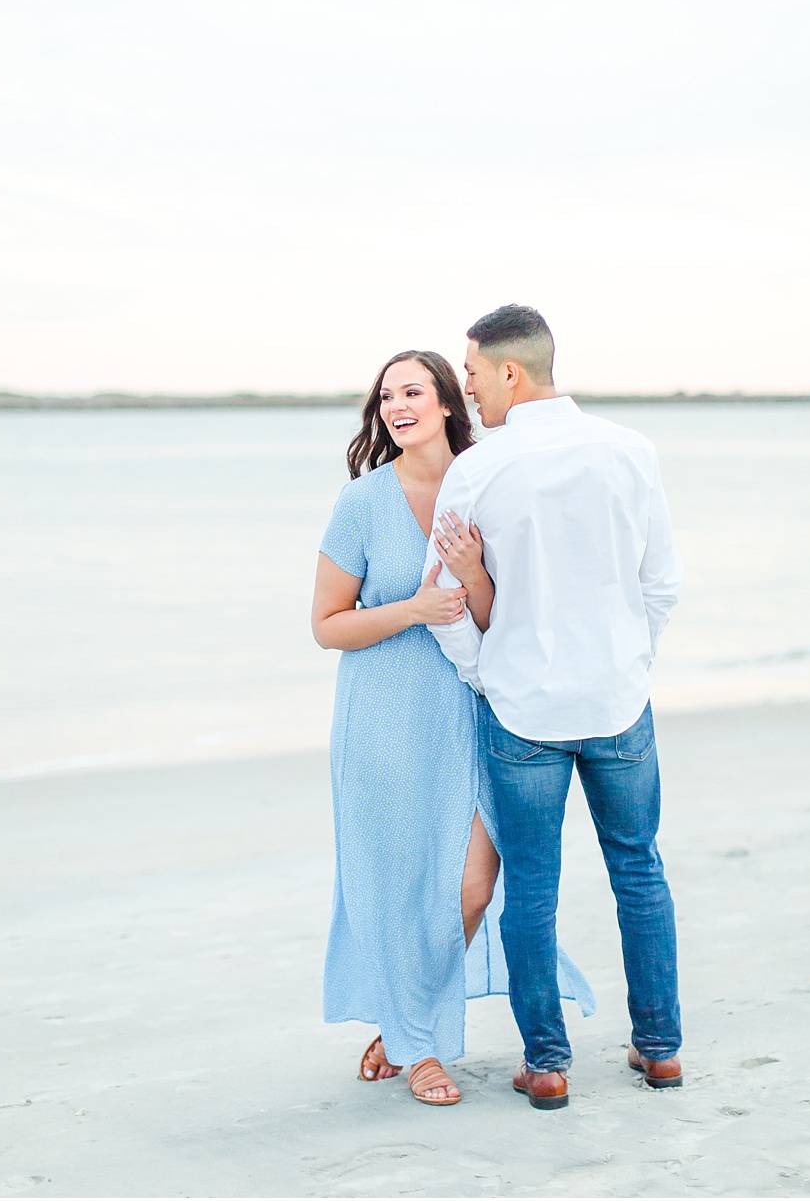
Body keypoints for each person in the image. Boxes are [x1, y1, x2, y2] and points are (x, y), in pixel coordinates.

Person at [311, 349, 594, 1107]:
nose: (396, 405)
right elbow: (326, 626)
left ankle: (405, 1023)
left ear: (445, 402)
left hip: (475, 710)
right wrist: (410, 607)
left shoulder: (485, 480)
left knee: (473, 883)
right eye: (386, 396)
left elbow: (498, 613)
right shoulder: (363, 503)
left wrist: (470, 574)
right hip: (386, 718)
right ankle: (419, 1045)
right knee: (401, 884)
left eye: (413, 390)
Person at [424, 304, 685, 1111]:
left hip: (524, 711)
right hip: (616, 701)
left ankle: (547, 1064)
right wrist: (626, 661)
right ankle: (661, 1048)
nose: (468, 395)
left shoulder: (477, 470)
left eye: (470, 377)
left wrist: (486, 673)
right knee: (638, 870)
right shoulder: (629, 451)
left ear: (511, 372)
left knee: (532, 888)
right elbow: (662, 583)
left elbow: (444, 602)